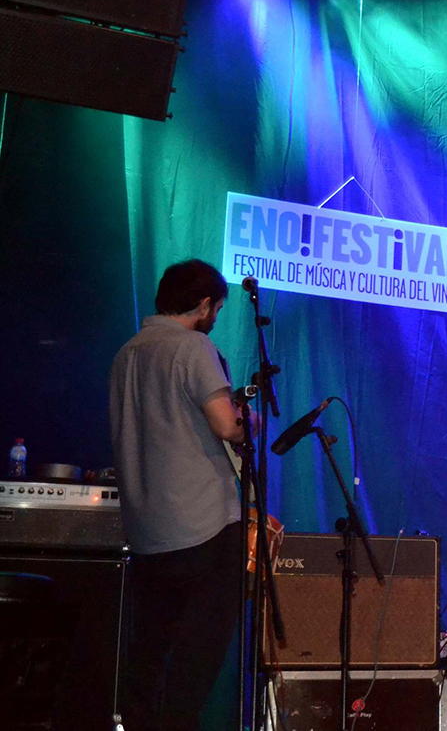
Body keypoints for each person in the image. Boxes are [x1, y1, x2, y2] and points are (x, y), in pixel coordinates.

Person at [109, 259, 247, 731]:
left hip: (148, 531)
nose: (215, 318)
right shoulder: (194, 347)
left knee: (148, 654)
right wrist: (250, 418)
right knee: (198, 658)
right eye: (217, 308)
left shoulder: (128, 351)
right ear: (205, 303)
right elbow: (227, 425)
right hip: (203, 526)